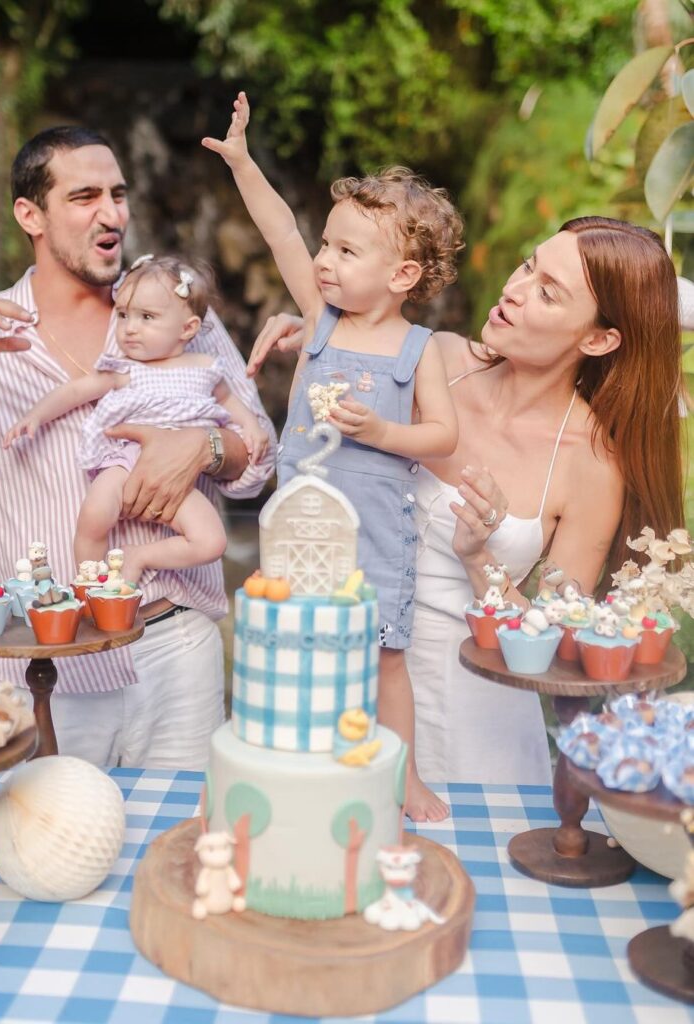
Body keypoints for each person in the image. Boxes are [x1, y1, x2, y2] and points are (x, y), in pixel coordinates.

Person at [0, 125, 276, 769]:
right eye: (85, 196)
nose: (112, 213)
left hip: (173, 650)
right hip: (38, 665)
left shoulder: (175, 311)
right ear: (30, 214)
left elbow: (259, 461)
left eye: (118, 194)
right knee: (48, 861)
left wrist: (202, 446)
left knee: (181, 857)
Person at [248, 216, 684, 785]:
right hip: (350, 663)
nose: (514, 288)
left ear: (598, 339)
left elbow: (553, 645)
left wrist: (481, 561)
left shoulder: (591, 462)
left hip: (473, 709)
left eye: (547, 293)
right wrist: (323, 329)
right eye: (528, 265)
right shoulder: (439, 359)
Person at [204, 93, 461, 821]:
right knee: (292, 641)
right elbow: (278, 229)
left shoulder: (418, 350)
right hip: (297, 527)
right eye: (327, 245)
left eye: (346, 252)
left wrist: (382, 432)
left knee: (385, 661)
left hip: (379, 529)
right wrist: (244, 163)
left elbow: (442, 436)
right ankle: (295, 752)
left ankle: (403, 777)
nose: (322, 261)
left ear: (404, 276)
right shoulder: (319, 322)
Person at [4, 253, 269, 583]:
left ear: (188, 328)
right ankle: (89, 584)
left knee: (211, 541)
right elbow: (76, 392)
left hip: (178, 475)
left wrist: (252, 427)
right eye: (123, 315)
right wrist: (36, 415)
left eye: (146, 317)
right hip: (124, 461)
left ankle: (140, 556)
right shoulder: (126, 370)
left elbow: (229, 400)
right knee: (93, 516)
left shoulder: (205, 367)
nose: (130, 328)